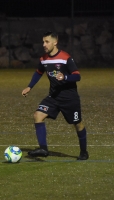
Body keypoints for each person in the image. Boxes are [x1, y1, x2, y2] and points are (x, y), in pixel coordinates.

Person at [21, 31, 88, 160]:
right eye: (43, 42)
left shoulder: (65, 57)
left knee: (78, 124)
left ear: (55, 42)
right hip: (54, 96)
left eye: (47, 42)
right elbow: (38, 72)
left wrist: (65, 77)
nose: (44, 45)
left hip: (69, 98)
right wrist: (30, 86)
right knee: (38, 115)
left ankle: (84, 151)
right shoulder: (43, 59)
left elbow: (77, 75)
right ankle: (43, 149)